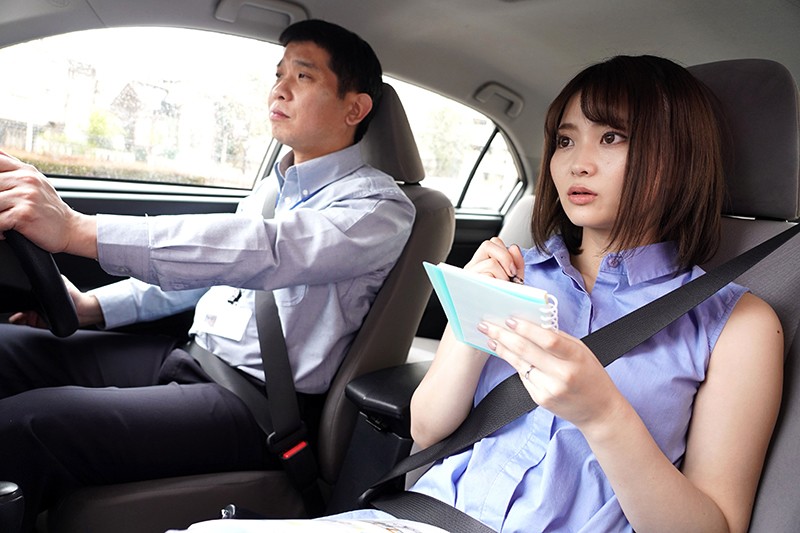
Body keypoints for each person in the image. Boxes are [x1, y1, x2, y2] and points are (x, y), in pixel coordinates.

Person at [173, 55, 783, 533]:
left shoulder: (735, 322)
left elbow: (713, 527)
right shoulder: (517, 272)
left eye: (612, 138)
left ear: (676, 156)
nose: (576, 163)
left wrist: (604, 414)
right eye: (565, 140)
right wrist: (471, 317)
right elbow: (427, 429)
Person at [0, 19, 415, 532]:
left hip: (257, 407)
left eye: (303, 77)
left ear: (355, 108)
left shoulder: (378, 208)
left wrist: (79, 231)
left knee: (24, 425)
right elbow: (208, 275)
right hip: (194, 359)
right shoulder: (272, 190)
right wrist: (93, 308)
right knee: (7, 349)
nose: (279, 89)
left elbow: (266, 251)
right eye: (279, 74)